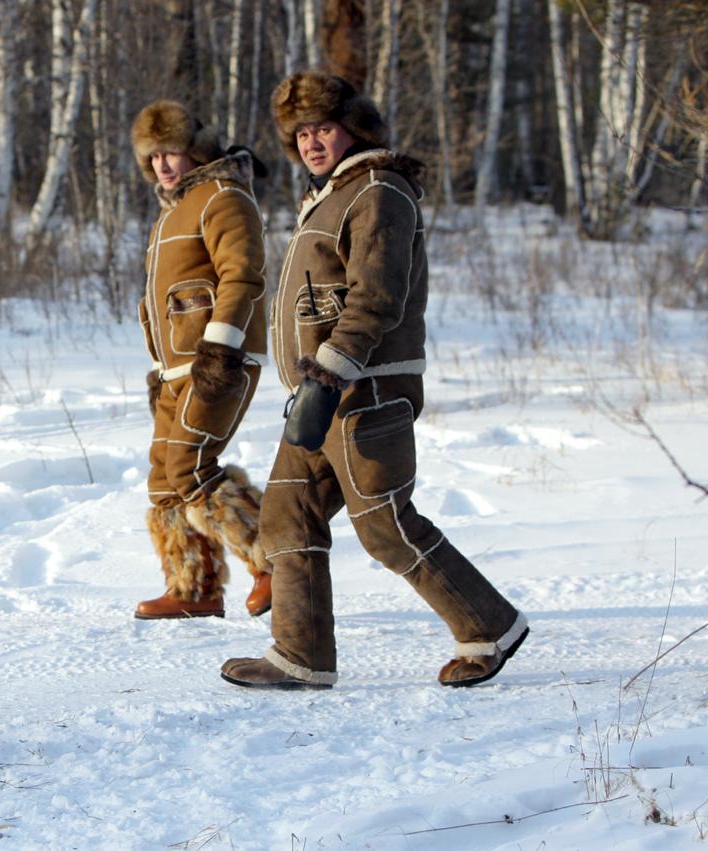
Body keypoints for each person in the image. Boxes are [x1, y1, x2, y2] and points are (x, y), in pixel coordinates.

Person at [220, 73, 528, 688]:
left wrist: (328, 373)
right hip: (322, 394)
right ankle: (300, 657)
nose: (311, 143)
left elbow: (377, 297)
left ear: (353, 129)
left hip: (366, 388)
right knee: (286, 519)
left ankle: (490, 628)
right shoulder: (331, 195)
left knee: (386, 526)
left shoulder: (378, 190)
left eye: (324, 129)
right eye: (301, 133)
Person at [129, 100, 271, 620]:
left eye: (172, 152)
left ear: (196, 148)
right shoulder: (170, 213)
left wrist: (220, 346)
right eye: (154, 156)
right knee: (165, 481)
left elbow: (243, 274)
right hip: (174, 368)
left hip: (217, 359)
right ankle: (194, 588)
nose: (164, 164)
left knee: (191, 467)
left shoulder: (222, 196)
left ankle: (276, 562)